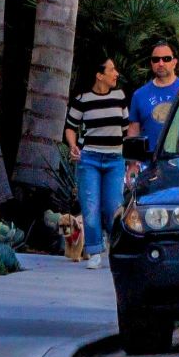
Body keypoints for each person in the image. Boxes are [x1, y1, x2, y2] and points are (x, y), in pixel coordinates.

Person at [64, 56, 130, 270]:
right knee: (90, 207)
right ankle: (94, 251)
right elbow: (70, 127)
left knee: (113, 207)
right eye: (112, 70)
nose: (116, 73)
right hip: (89, 159)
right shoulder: (82, 99)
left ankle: (117, 248)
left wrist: (131, 160)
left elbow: (126, 131)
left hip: (115, 160)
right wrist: (73, 146)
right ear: (99, 75)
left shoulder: (120, 96)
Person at [127, 40, 179, 155]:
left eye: (166, 59)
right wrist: (132, 164)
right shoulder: (139, 95)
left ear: (174, 62)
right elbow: (133, 131)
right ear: (151, 63)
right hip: (149, 163)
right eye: (156, 59)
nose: (161, 63)